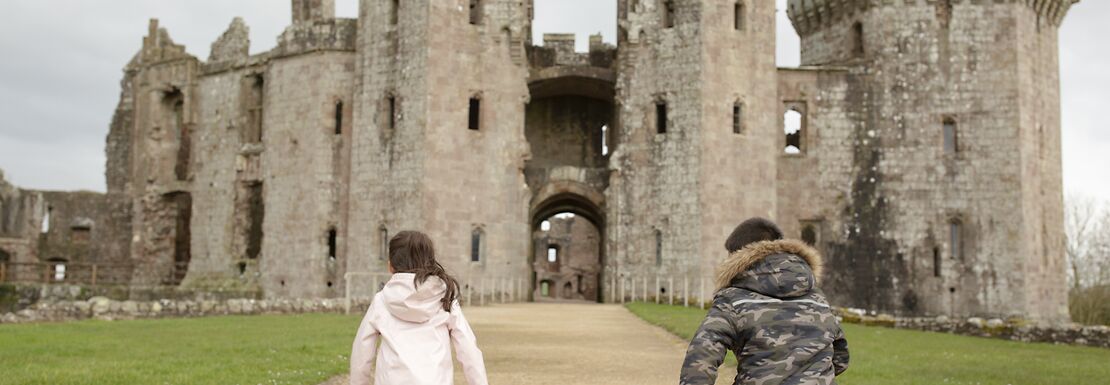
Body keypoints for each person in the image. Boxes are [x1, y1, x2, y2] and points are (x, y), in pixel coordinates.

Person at [679, 218, 849, 385]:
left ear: (739, 255)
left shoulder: (733, 299)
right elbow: (840, 358)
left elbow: (701, 357)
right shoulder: (816, 298)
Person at [350, 231, 488, 385]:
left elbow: (362, 350)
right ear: (430, 262)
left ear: (390, 266)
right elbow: (468, 348)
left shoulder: (381, 301)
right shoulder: (444, 297)